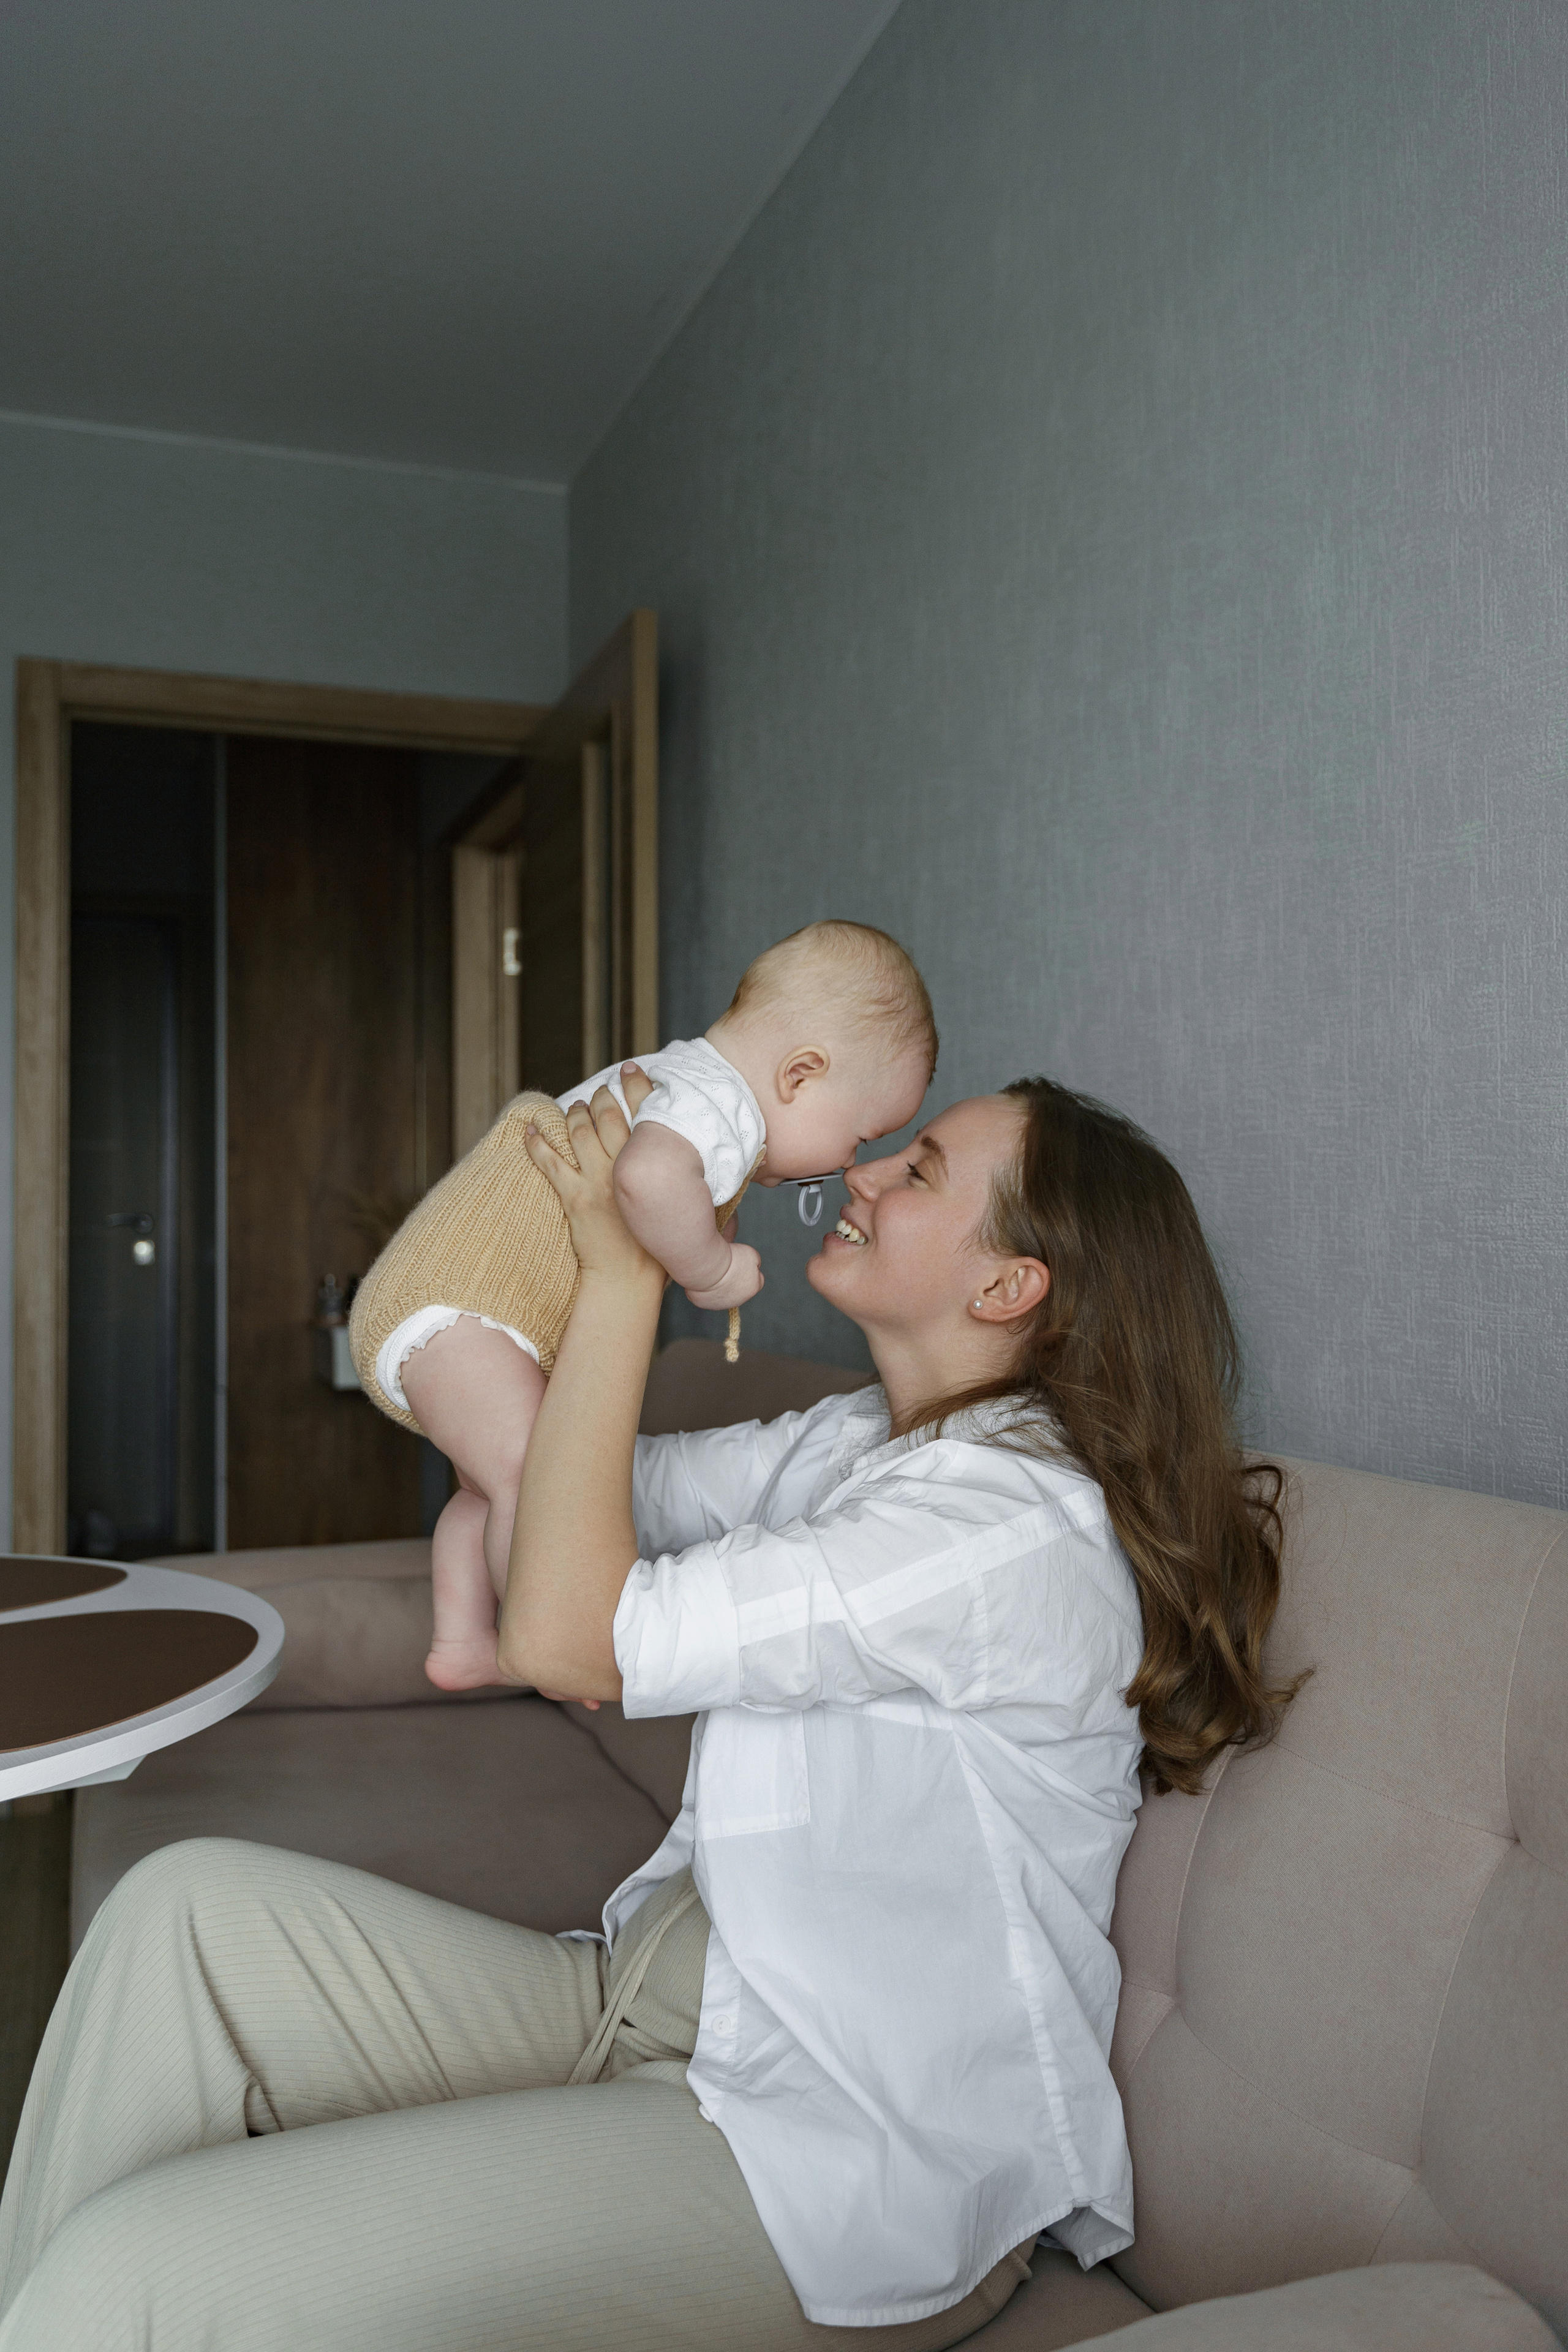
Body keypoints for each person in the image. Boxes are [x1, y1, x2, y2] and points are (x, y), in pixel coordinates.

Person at [0, 1072, 1298, 2352]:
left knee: (139, 2269)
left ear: (1008, 1287)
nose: (864, 1172)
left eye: (918, 1175)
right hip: (661, 1999)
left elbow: (567, 1633)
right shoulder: (859, 1445)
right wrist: (497, 1278)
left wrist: (623, 1279)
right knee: (184, 1918)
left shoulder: (998, 1532)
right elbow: (560, 1490)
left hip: (842, 2154)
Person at [348, 920, 937, 1688]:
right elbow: (647, 1182)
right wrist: (711, 1269)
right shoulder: (713, 1106)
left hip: (455, 1310)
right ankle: (540, 1638)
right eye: (859, 1137)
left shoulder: (682, 1082)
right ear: (799, 1076)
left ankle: (463, 1641)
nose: (850, 1164)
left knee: (493, 1485)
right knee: (532, 1477)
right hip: (462, 1309)